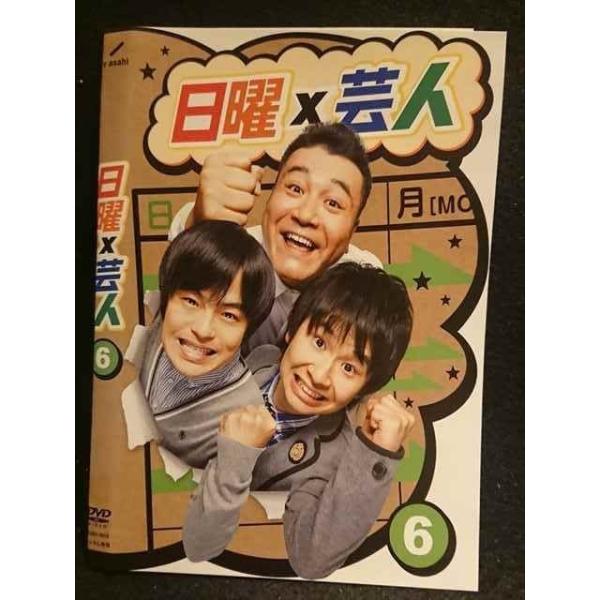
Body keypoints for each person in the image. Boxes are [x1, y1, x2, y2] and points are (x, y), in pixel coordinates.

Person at [182, 263, 415, 579]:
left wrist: (379, 452)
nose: (319, 375)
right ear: (292, 329)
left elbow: (310, 559)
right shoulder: (261, 358)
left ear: (366, 387)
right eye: (319, 342)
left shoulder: (334, 458)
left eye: (349, 368)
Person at [169, 122, 382, 352]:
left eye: (332, 203)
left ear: (352, 232)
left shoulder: (361, 285)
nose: (305, 215)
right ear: (270, 197)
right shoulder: (235, 255)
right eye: (296, 189)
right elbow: (186, 258)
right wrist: (200, 225)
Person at [121, 220, 275, 472]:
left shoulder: (243, 420)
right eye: (191, 301)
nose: (202, 330)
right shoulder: (150, 320)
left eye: (229, 315)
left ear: (247, 330)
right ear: (167, 297)